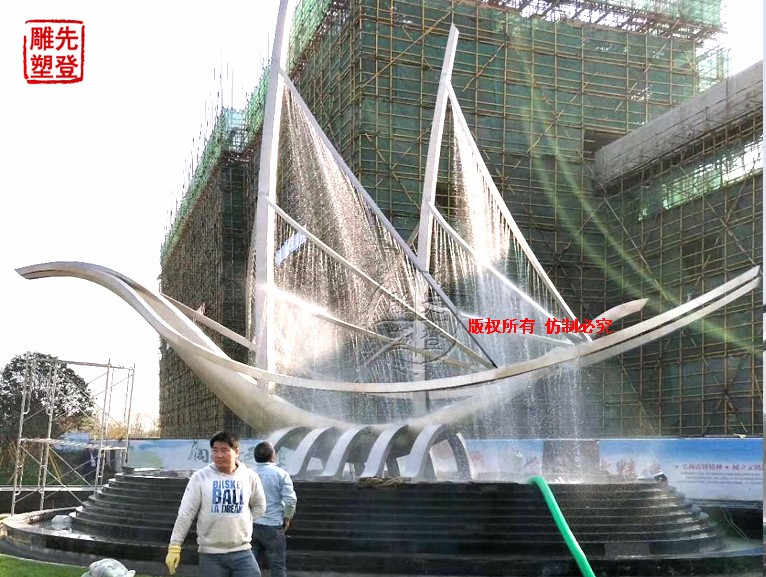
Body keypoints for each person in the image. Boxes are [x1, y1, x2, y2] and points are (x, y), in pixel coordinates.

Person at [165, 431, 266, 577]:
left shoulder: (249, 476)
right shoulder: (200, 477)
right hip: (211, 555)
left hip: (242, 552)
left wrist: (241, 520)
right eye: (215, 450)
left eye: (224, 450)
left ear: (236, 452)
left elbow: (259, 506)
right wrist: (174, 546)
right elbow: (186, 514)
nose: (219, 455)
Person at [251, 441, 297, 577]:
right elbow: (290, 500)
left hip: (250, 525)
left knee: (250, 568)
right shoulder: (281, 474)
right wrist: (287, 518)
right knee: (277, 567)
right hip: (273, 526)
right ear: (272, 456)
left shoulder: (247, 474)